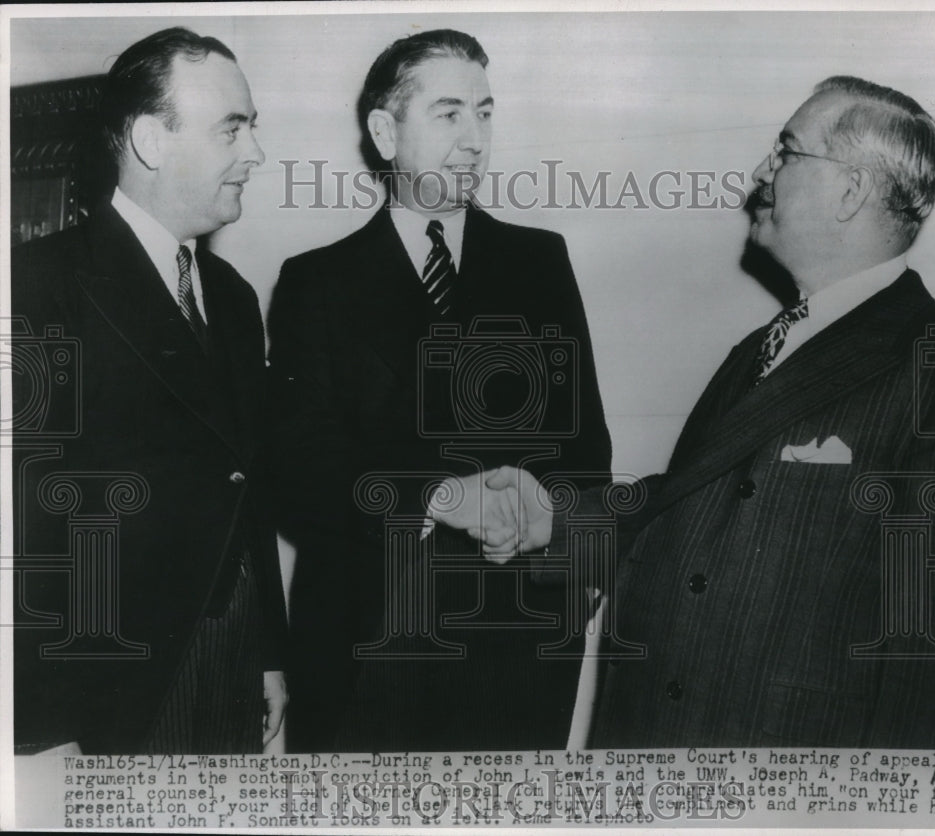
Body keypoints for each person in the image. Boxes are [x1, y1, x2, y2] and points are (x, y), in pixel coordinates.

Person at [449, 76, 935, 749]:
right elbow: (686, 508)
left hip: (786, 782)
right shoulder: (761, 347)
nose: (762, 171)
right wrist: (551, 520)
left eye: (788, 152)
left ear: (850, 191)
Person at [266, 29, 611, 751]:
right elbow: (301, 468)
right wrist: (443, 495)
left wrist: (554, 544)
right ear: (385, 132)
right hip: (367, 642)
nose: (476, 138)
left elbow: (585, 453)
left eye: (486, 113)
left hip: (515, 641)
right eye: (450, 113)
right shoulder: (315, 281)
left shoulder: (540, 260)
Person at [12, 27, 287, 754]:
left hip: (230, 662)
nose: (255, 154)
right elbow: (25, 526)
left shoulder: (231, 296)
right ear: (150, 140)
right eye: (233, 128)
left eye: (252, 129)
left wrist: (267, 654)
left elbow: (244, 483)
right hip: (109, 688)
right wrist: (40, 722)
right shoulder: (36, 284)